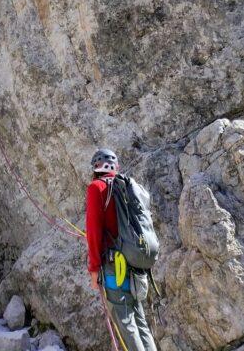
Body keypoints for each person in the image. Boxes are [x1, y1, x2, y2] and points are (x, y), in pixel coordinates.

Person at [85, 148, 157, 351]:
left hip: (113, 265)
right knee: (140, 320)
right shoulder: (127, 186)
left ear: (96, 167)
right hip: (136, 261)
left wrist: (93, 268)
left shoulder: (96, 188)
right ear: (116, 167)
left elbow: (93, 231)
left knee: (126, 322)